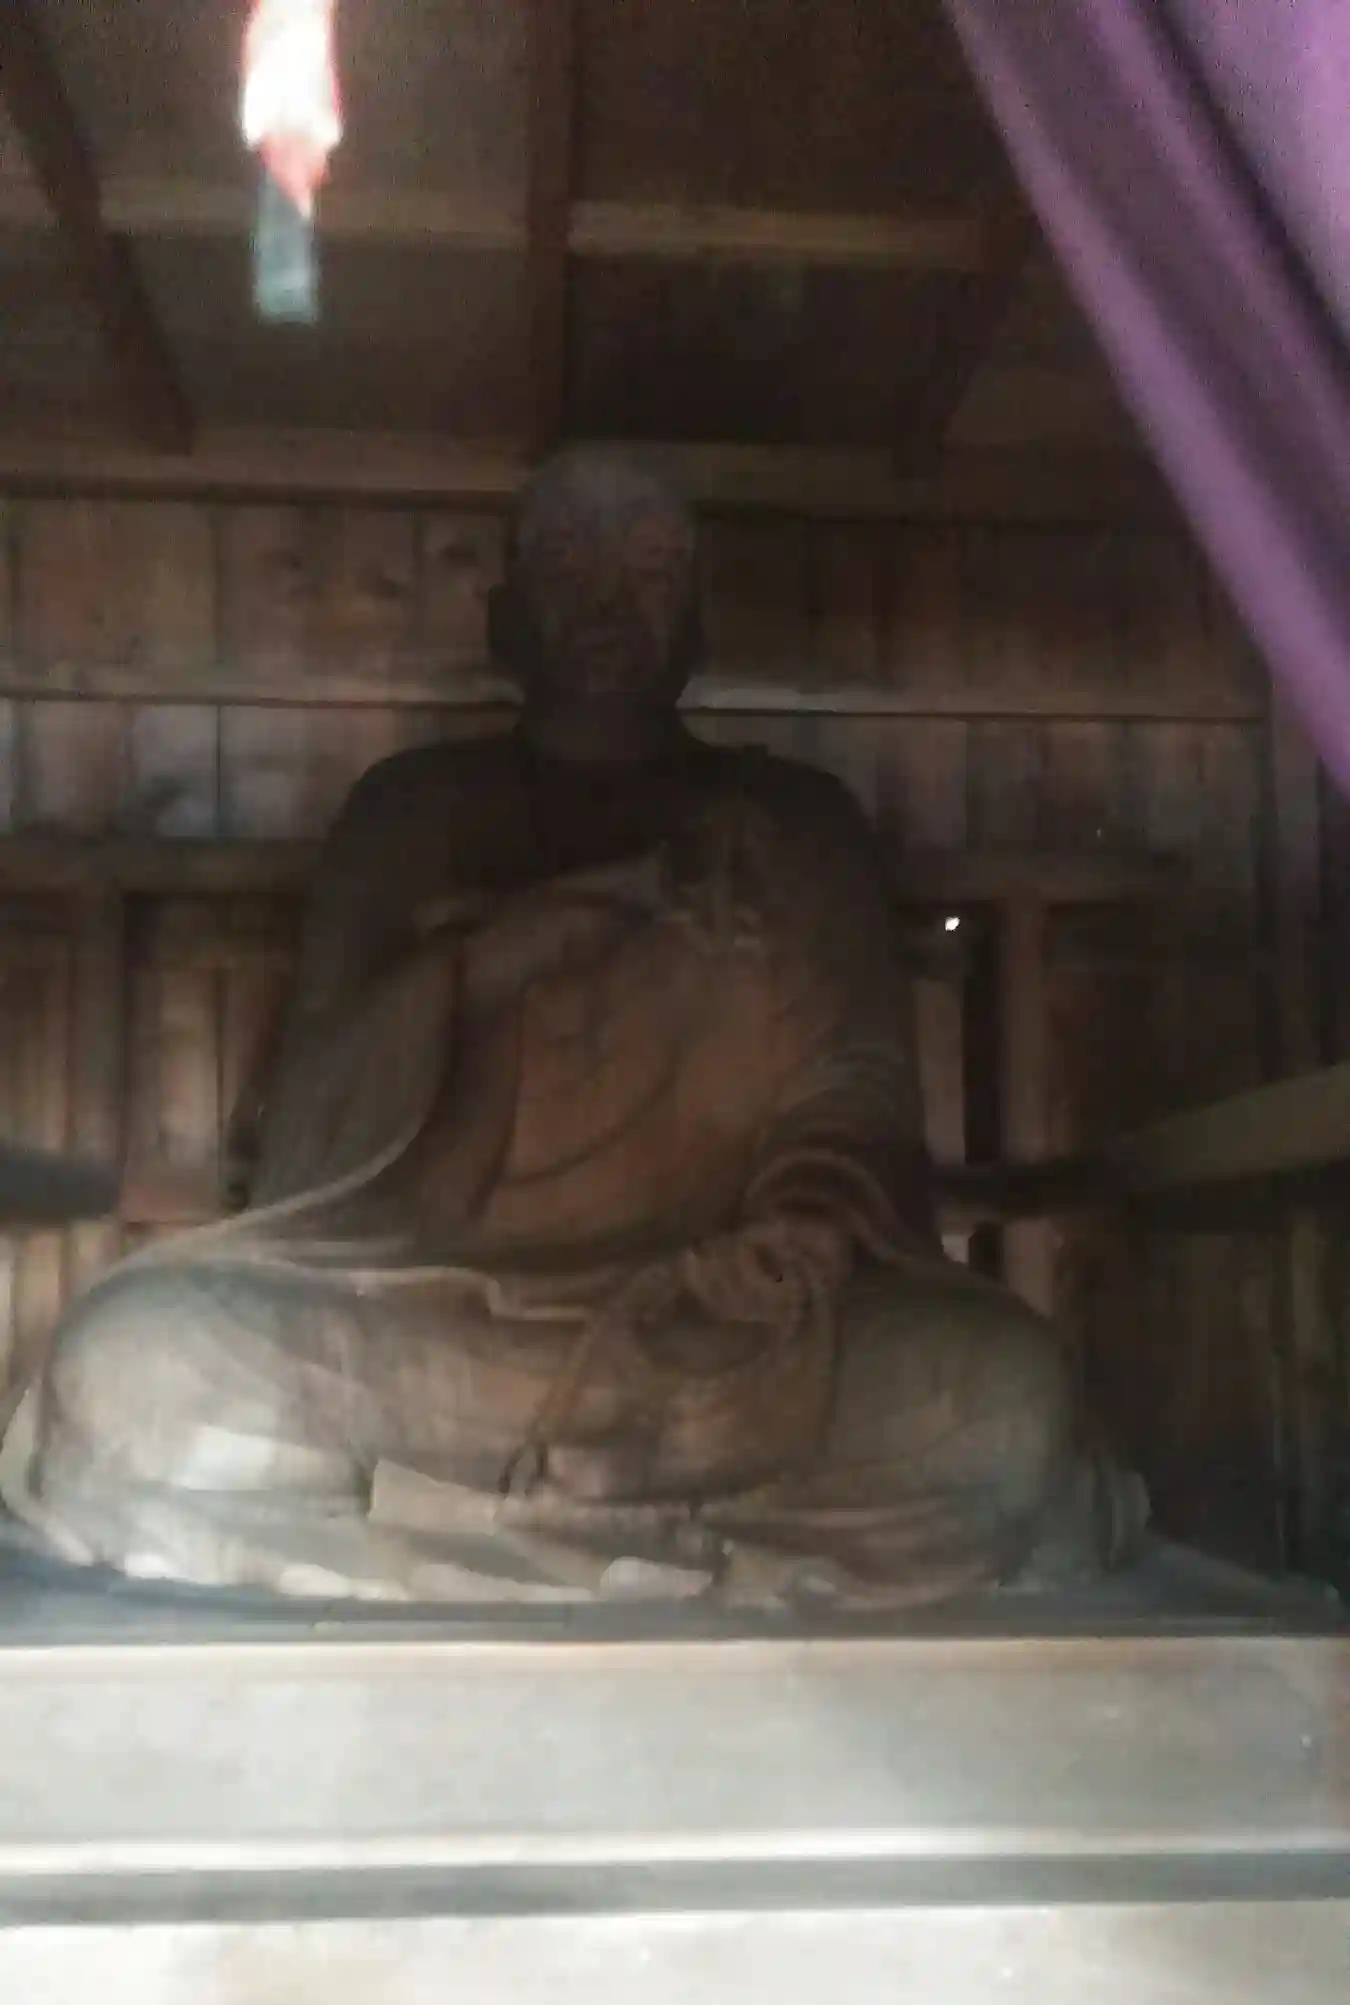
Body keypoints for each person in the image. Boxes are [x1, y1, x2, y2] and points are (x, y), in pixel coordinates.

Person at [2, 449, 1143, 1608]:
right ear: (506, 610)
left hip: (717, 1344)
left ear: (694, 614)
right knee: (132, 1360)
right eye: (570, 561)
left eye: (648, 566)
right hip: (438, 1330)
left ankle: (502, 1522)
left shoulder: (796, 827)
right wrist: (486, 968)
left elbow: (853, 1094)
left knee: (1009, 1392)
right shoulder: (410, 812)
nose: (608, 599)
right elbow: (312, 1144)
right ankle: (639, 1522)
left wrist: (804, 1230)